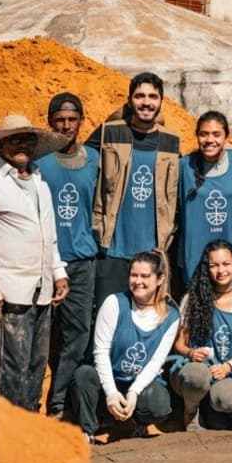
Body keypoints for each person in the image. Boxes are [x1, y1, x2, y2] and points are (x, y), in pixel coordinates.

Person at [0, 114, 70, 411]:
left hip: (42, 290)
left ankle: (30, 427)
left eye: (28, 140)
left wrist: (57, 272)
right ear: (1, 146)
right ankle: (9, 434)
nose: (22, 146)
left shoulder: (40, 184)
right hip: (12, 291)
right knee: (14, 366)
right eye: (15, 140)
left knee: (37, 364)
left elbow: (48, 236)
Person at [34, 93, 101, 418]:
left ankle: (58, 404)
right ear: (50, 122)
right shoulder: (38, 162)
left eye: (72, 119)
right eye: (59, 120)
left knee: (78, 335)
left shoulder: (94, 160)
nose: (66, 125)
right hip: (44, 263)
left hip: (82, 263)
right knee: (41, 336)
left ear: (81, 121)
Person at [88, 72, 181, 305]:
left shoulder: (171, 142)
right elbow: (81, 160)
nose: (146, 102)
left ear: (162, 101)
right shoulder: (109, 133)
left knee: (147, 318)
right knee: (106, 316)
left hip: (153, 250)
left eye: (153, 96)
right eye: (139, 96)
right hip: (112, 249)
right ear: (129, 101)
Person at [71, 249, 179, 443]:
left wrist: (133, 392)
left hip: (138, 385)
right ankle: (88, 431)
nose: (138, 281)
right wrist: (112, 393)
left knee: (158, 403)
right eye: (133, 275)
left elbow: (156, 363)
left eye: (145, 276)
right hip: (107, 381)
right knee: (83, 375)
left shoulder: (171, 316)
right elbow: (101, 352)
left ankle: (137, 423)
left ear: (160, 279)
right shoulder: (115, 303)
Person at [169, 240, 232, 430]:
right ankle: (191, 410)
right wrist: (191, 353)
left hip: (229, 370)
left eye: (226, 264)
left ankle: (211, 408)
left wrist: (228, 366)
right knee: (196, 377)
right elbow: (179, 344)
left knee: (228, 400)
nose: (221, 270)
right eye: (214, 265)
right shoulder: (194, 298)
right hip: (197, 368)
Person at [177, 111, 232, 286]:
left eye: (216, 134)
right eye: (204, 134)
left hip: (228, 256)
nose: (210, 140)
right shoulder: (184, 167)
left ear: (226, 136)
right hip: (195, 256)